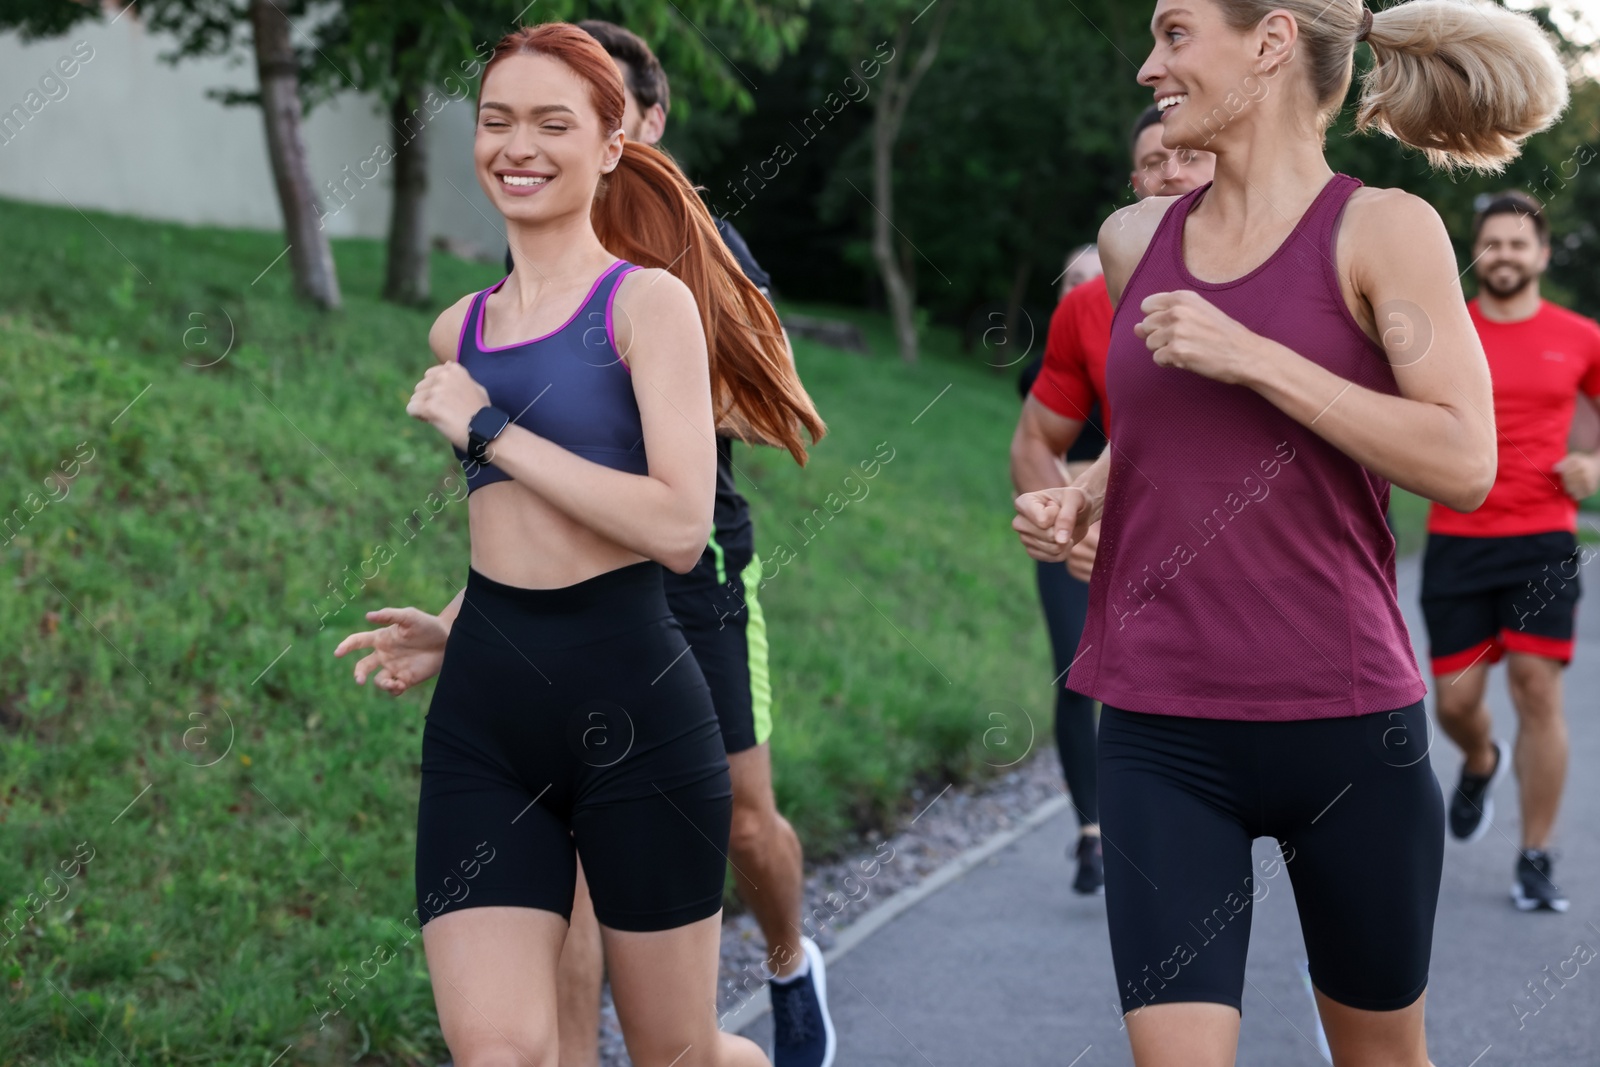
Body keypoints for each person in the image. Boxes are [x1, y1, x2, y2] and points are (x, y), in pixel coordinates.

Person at [1013, 2, 1564, 1064]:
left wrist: (1254, 353)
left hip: (1346, 723)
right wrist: (1081, 494)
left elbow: (1460, 458)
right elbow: (1168, 426)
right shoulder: (1135, 242)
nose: (1145, 67)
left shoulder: (1383, 228)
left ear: (1269, 41)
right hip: (1156, 725)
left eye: (1173, 35)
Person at [338, 20, 836, 1067]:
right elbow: (526, 521)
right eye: (496, 121)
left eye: (552, 123)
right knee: (501, 1052)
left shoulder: (646, 305)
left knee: (679, 1053)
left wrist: (489, 430)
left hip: (638, 707)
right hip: (485, 716)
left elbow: (674, 525)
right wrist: (454, 622)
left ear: (612, 142)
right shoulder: (458, 330)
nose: (517, 146)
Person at [1010, 105, 1214, 895]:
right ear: (1132, 185)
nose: (1169, 172)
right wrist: (1066, 518)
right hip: (1098, 536)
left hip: (1220, 555)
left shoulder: (1278, 281)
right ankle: (1099, 832)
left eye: (1187, 156)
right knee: (1080, 678)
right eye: (1152, 163)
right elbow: (1033, 441)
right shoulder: (1085, 307)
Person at [1424, 190, 1600, 913]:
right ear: (1477, 252)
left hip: (1543, 536)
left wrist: (1595, 467)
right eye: (1491, 243)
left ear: (1542, 254)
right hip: (1457, 537)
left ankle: (1535, 854)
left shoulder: (1581, 336)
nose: (1503, 255)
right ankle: (1480, 759)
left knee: (1536, 686)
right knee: (1457, 702)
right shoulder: (1444, 332)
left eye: (1517, 244)